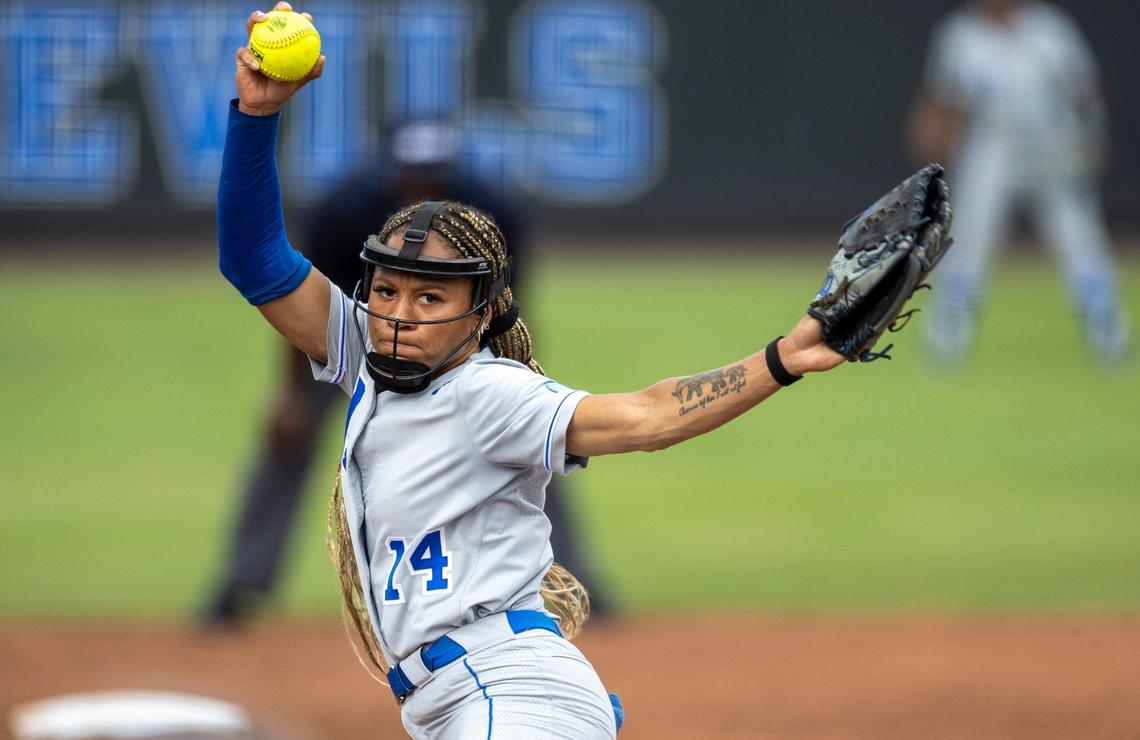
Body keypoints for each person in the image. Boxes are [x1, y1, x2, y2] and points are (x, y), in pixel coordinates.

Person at [220, 4, 845, 736]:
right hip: (460, 699)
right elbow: (254, 259)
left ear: (480, 314)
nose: (401, 312)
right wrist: (257, 115)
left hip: (514, 694)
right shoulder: (366, 352)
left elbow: (646, 416)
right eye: (387, 290)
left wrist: (783, 359)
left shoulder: (489, 392)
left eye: (430, 296)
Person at [201, 117, 611, 626]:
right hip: (358, 337)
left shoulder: (489, 212)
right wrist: (293, 396)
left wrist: (518, 395)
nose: (422, 189)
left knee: (535, 439)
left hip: (452, 345)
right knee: (287, 441)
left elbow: (505, 311)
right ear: (389, 174)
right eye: (413, 179)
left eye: (433, 180)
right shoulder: (347, 208)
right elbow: (291, 298)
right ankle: (241, 581)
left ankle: (579, 578)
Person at [907, 0, 1130, 366]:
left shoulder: (1049, 29)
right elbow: (943, 96)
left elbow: (1085, 88)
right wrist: (930, 138)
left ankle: (1108, 331)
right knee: (968, 242)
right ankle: (946, 337)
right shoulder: (961, 34)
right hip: (992, 143)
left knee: (1079, 239)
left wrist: (1091, 134)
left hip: (1051, 140)